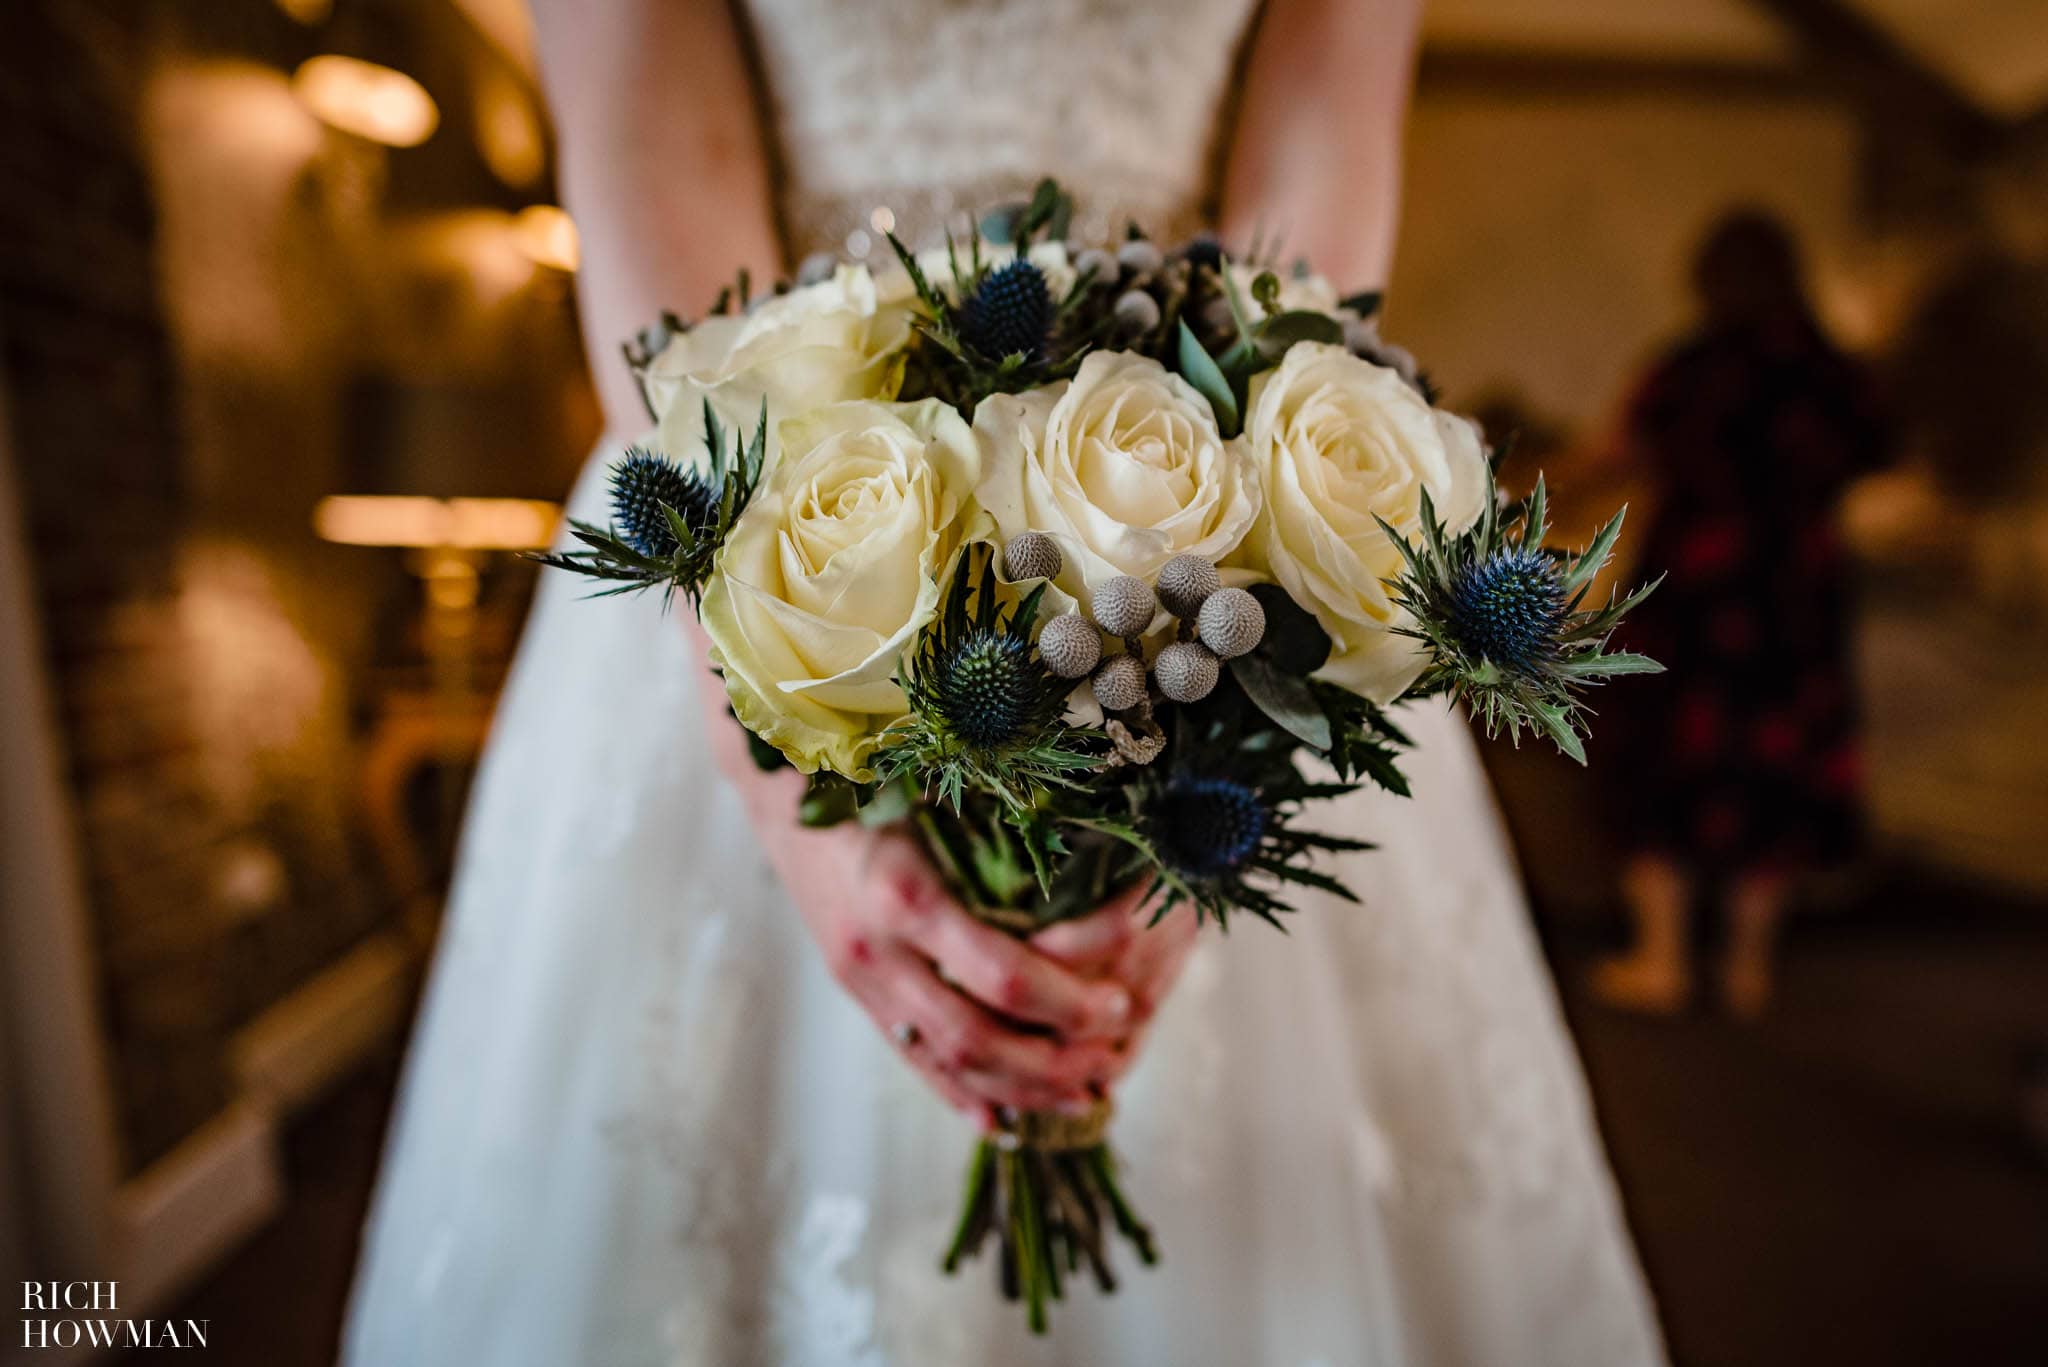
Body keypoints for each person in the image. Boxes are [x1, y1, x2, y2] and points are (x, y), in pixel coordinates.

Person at [343, 3, 1665, 1363]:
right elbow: (657, 172)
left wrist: (1234, 715)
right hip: (774, 503)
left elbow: (1315, 168)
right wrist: (789, 762)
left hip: (1194, 533)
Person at [1593, 210, 1885, 1020]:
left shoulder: (1690, 368)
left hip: (1695, 582)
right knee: (1775, 770)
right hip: (1794, 593)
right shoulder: (1835, 373)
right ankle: (1749, 967)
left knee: (1662, 762)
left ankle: (1664, 956)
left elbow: (1624, 451)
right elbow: (1876, 459)